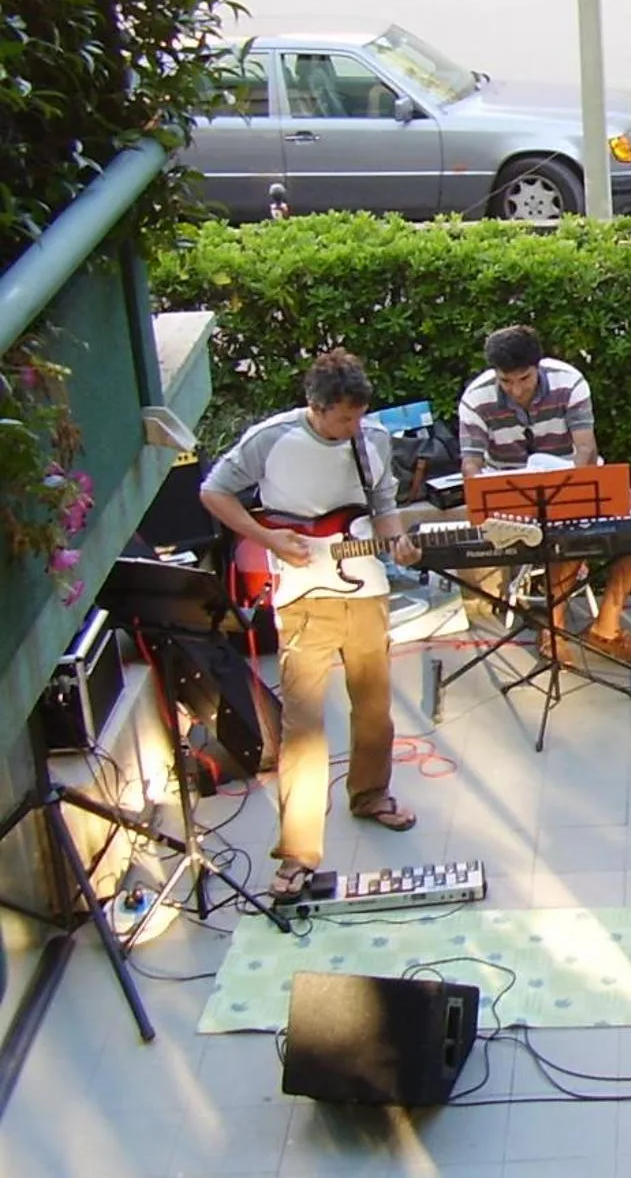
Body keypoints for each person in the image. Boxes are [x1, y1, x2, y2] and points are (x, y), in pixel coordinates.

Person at [198, 349, 419, 901]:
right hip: (301, 599)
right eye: (344, 418)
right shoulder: (270, 439)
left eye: (359, 415)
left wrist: (398, 541)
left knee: (374, 707)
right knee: (303, 727)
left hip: (365, 590)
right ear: (315, 408)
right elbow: (212, 491)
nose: (354, 426)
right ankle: (297, 851)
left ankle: (370, 794)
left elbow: (384, 505)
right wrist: (268, 538)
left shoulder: (372, 440)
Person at [456, 325, 631, 662]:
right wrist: (480, 494)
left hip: (572, 476)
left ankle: (606, 627)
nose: (516, 389)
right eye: (505, 381)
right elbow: (471, 462)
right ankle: (553, 630)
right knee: (566, 535)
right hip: (511, 489)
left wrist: (572, 490)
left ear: (539, 366)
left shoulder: (569, 382)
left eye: (524, 378)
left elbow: (586, 448)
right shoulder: (476, 398)